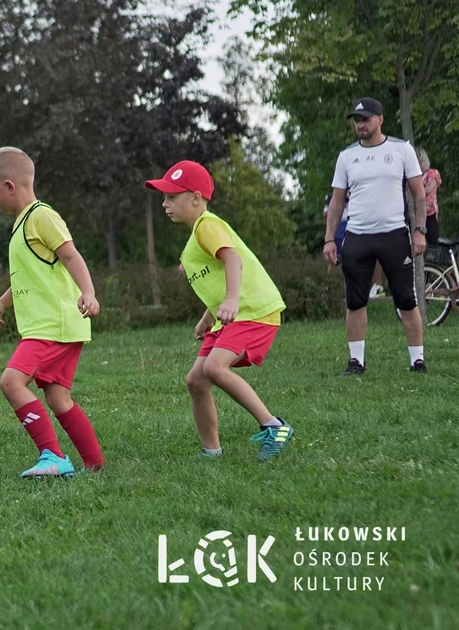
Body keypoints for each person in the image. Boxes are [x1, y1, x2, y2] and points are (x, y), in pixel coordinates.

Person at [146, 161, 295, 462]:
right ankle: (211, 452)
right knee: (196, 380)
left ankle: (275, 427)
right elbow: (216, 282)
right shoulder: (196, 237)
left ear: (196, 198)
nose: (165, 204)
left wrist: (231, 300)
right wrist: (207, 317)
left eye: (171, 197)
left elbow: (233, 261)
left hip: (254, 311)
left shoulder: (208, 225)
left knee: (214, 368)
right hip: (232, 315)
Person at [0, 147, 104, 478]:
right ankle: (95, 465)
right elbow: (30, 275)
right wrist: (3, 302)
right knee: (58, 398)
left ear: (9, 186)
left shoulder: (41, 217)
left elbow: (71, 256)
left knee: (11, 382)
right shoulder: (23, 224)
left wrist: (89, 293)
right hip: (56, 326)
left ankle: (52, 456)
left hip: (52, 326)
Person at [323, 97, 428, 375]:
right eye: (357, 120)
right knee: (356, 300)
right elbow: (336, 202)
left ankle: (417, 361)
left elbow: (419, 194)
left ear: (380, 120)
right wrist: (329, 238)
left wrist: (420, 231)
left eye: (366, 119)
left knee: (406, 299)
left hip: (394, 234)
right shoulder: (347, 156)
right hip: (358, 236)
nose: (361, 125)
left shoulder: (401, 150)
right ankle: (356, 361)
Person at [420, 147, 442, 246]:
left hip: (430, 213)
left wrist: (416, 192)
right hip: (418, 213)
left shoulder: (433, 173)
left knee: (433, 243)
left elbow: (428, 190)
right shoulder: (415, 176)